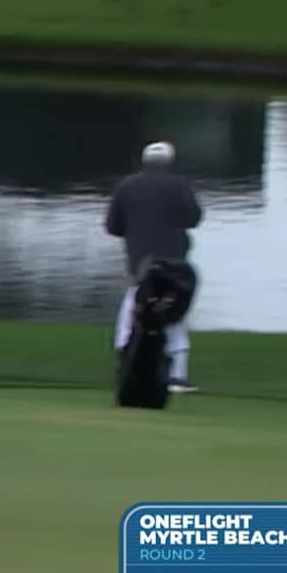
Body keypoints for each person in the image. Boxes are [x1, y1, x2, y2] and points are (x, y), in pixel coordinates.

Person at [106, 141, 202, 393]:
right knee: (173, 315)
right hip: (175, 264)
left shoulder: (126, 186)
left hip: (140, 263)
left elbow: (112, 226)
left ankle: (126, 366)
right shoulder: (180, 185)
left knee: (131, 311)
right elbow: (193, 218)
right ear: (170, 162)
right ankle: (177, 376)